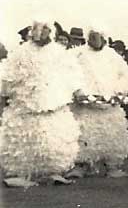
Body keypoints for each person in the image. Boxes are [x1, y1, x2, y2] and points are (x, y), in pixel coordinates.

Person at [0, 20, 86, 187]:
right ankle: (21, 174)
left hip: (54, 104)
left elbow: (71, 73)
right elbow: (6, 74)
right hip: (25, 106)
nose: (41, 33)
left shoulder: (59, 53)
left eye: (46, 29)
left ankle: (53, 171)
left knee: (53, 137)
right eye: (38, 29)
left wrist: (77, 90)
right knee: (24, 138)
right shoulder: (20, 53)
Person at [68, 23, 128, 178]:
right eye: (92, 36)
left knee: (112, 136)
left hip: (109, 106)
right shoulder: (77, 55)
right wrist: (79, 91)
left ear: (104, 37)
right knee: (83, 135)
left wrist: (119, 91)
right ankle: (80, 166)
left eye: (99, 36)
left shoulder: (114, 57)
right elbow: (71, 74)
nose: (95, 39)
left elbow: (124, 77)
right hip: (85, 107)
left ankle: (112, 166)